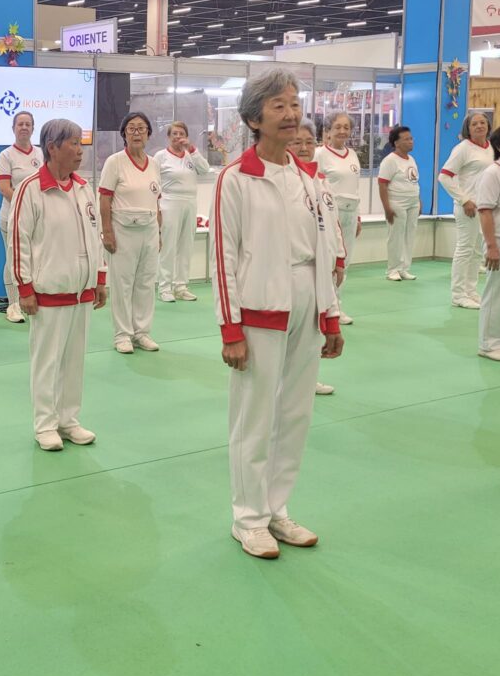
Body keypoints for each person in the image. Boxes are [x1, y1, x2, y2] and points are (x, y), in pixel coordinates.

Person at [211, 69, 344, 559]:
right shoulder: (235, 179)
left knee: (294, 414)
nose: (291, 115)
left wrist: (330, 315)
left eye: (294, 104)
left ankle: (276, 509)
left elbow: (324, 247)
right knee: (255, 416)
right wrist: (230, 329)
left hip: (307, 301)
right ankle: (248, 519)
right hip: (259, 308)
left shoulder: (308, 178)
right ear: (254, 118)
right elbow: (223, 257)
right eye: (279, 106)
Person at [11, 118, 107, 450]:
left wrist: (100, 277)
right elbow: (18, 240)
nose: (80, 151)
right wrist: (24, 287)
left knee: (74, 361)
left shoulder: (83, 187)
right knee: (47, 362)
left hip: (82, 291)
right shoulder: (30, 189)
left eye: (81, 144)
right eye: (74, 144)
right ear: (52, 147)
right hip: (48, 292)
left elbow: (95, 234)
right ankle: (45, 425)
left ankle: (69, 420)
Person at [99, 111, 162, 353]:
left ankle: (142, 332)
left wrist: (159, 233)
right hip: (122, 230)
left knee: (146, 282)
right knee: (123, 284)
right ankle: (122, 335)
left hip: (149, 229)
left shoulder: (154, 164)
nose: (137, 133)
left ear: (148, 134)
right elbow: (104, 199)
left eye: (141, 128)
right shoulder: (115, 162)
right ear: (124, 134)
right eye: (131, 128)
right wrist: (107, 232)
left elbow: (157, 200)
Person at [292, 120, 345, 398]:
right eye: (296, 142)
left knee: (315, 328)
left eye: (309, 142)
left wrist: (339, 258)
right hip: (297, 271)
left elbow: (333, 223)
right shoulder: (286, 183)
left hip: (323, 266)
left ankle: (308, 378)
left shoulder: (321, 181)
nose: (303, 148)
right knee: (296, 332)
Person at [439, 112, 494, 309]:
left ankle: (471, 291)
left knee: (477, 252)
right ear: (468, 129)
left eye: (482, 122)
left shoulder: (491, 148)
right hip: (468, 208)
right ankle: (458, 295)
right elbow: (444, 177)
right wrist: (464, 200)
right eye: (474, 124)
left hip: (486, 208)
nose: (479, 126)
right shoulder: (463, 148)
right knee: (465, 250)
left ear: (488, 126)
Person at [154, 120, 210, 303]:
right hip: (169, 202)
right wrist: (156, 207)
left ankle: (181, 286)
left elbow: (204, 169)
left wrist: (192, 149)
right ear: (168, 137)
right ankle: (164, 287)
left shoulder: (191, 155)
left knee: (186, 246)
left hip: (190, 202)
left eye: (181, 134)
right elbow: (153, 182)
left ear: (186, 136)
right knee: (169, 246)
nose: (178, 137)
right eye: (174, 134)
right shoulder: (161, 156)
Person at [314, 112, 361, 324]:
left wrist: (357, 217)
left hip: (351, 212)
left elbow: (355, 187)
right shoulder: (320, 154)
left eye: (346, 127)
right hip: (331, 213)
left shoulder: (353, 155)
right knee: (330, 261)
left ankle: (336, 305)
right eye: (338, 127)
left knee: (345, 263)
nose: (342, 131)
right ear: (328, 130)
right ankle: (326, 307)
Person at [0, 111, 41, 324]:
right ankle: (13, 305)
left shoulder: (41, 154)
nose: (24, 127)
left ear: (33, 128)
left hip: (37, 218)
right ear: (13, 128)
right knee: (13, 259)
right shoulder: (6, 156)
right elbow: (4, 188)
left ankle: (35, 300)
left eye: (27, 124)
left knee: (35, 259)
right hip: (11, 217)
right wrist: (25, 205)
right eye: (20, 124)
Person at [476, 123, 500, 361]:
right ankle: (488, 344)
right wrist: (492, 246)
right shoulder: (493, 173)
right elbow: (485, 210)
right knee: (496, 292)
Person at [378, 125, 421, 282]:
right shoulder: (389, 161)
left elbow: (414, 182)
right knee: (395, 237)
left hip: (413, 203)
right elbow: (382, 185)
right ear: (396, 143)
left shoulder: (412, 159)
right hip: (397, 203)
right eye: (406, 139)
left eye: (411, 138)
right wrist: (387, 208)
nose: (411, 141)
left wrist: (419, 200)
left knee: (410, 235)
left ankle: (404, 268)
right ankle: (393, 269)